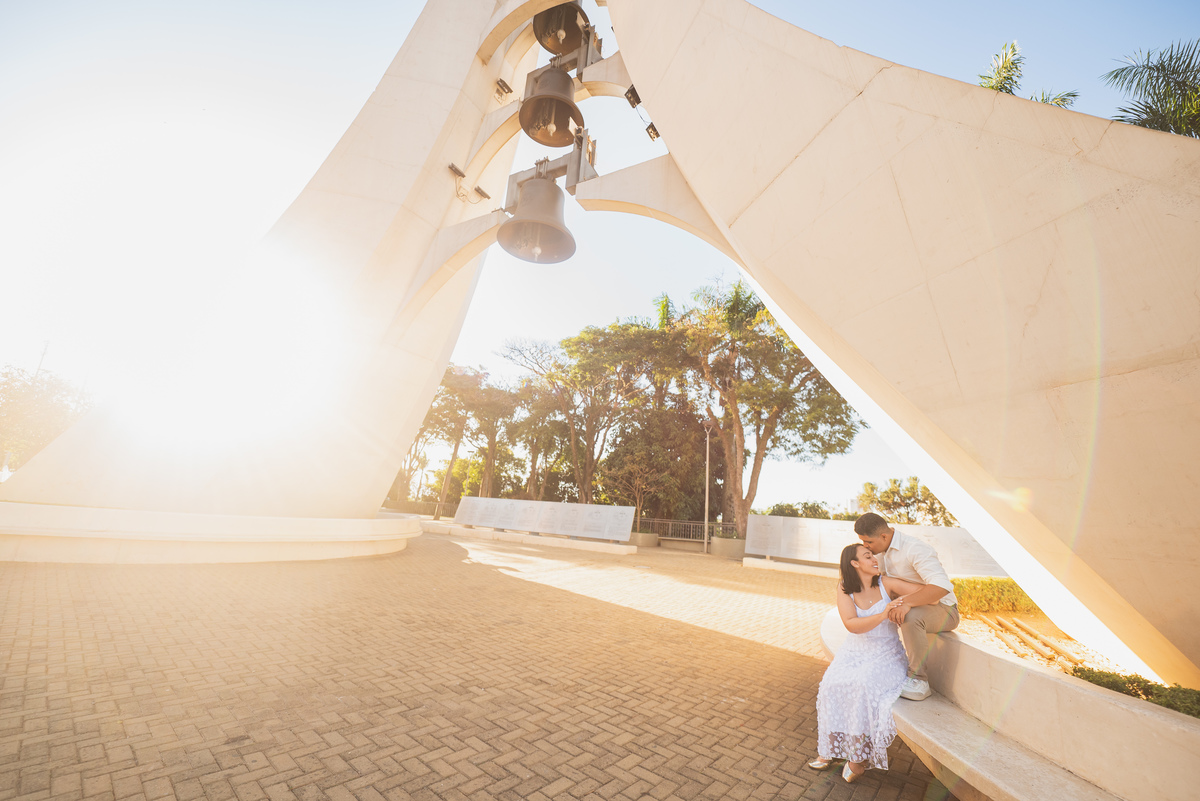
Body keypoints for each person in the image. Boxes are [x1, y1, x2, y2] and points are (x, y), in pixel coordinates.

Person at [808, 543, 924, 782]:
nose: (874, 560)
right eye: (868, 556)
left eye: (873, 556)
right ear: (854, 563)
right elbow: (851, 624)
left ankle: (857, 758)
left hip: (887, 653)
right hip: (854, 650)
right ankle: (831, 749)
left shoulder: (887, 583)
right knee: (830, 685)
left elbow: (924, 591)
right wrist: (883, 614)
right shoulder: (844, 588)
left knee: (863, 685)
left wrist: (907, 603)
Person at [854, 512, 959, 701]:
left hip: (945, 610)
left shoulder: (915, 549)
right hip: (913, 605)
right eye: (862, 541)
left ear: (883, 536)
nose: (865, 546)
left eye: (868, 541)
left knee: (910, 617)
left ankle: (919, 681)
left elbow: (941, 587)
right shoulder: (880, 554)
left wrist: (906, 603)